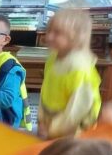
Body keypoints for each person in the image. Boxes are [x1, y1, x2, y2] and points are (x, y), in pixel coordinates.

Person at [37, 9, 101, 139]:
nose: (48, 37)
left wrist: (54, 129)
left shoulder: (80, 68)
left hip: (74, 130)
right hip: (54, 124)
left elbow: (77, 110)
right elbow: (46, 91)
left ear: (77, 36)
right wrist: (42, 120)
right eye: (49, 31)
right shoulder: (53, 58)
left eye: (57, 33)